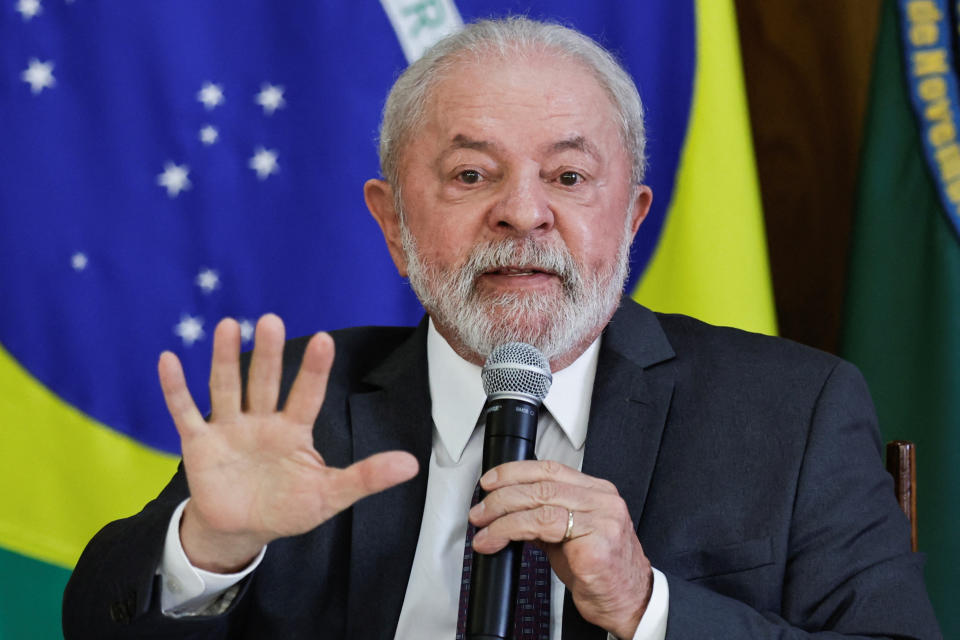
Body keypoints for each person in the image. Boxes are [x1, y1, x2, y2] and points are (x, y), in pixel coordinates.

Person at [63, 17, 941, 640]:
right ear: (393, 223)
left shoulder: (792, 409)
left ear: (632, 219)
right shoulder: (301, 404)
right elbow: (94, 622)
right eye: (473, 173)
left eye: (567, 177)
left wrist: (648, 606)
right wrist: (210, 550)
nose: (524, 214)